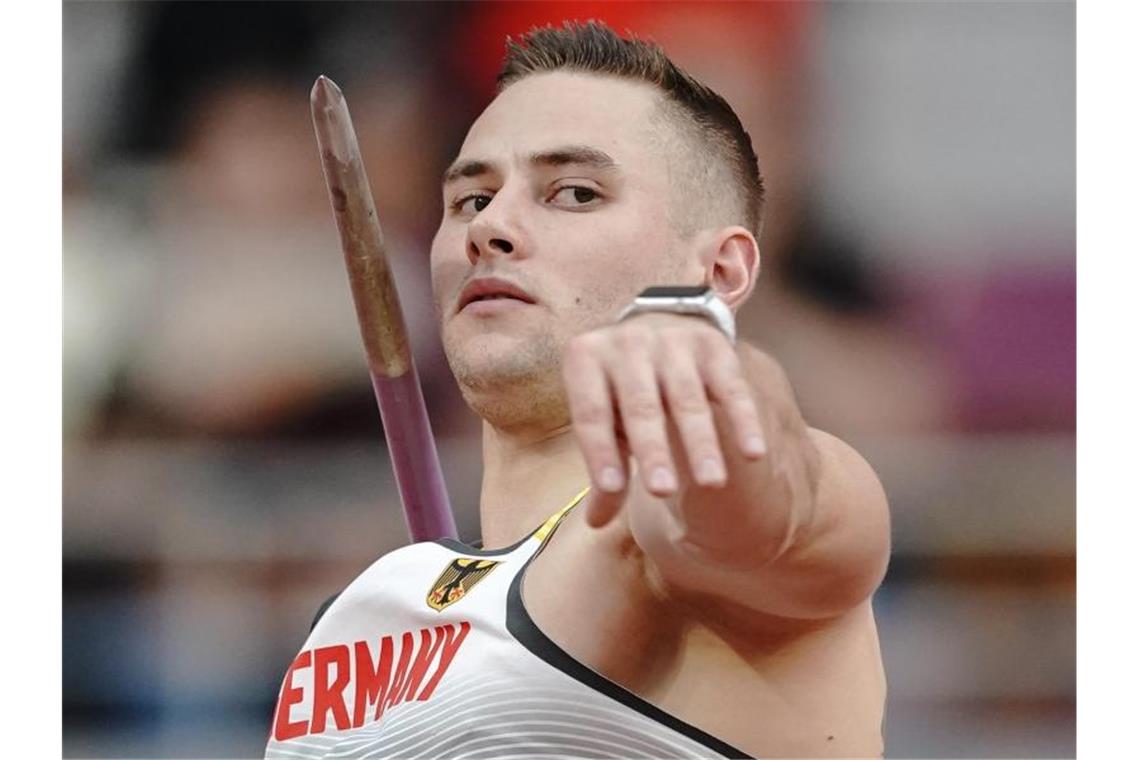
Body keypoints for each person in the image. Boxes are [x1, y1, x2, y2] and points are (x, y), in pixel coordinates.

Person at [266, 21, 890, 759]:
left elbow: (767, 503)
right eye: (470, 199)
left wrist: (715, 383)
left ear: (719, 274)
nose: (491, 225)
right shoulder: (361, 614)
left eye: (574, 193)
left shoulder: (673, 549)